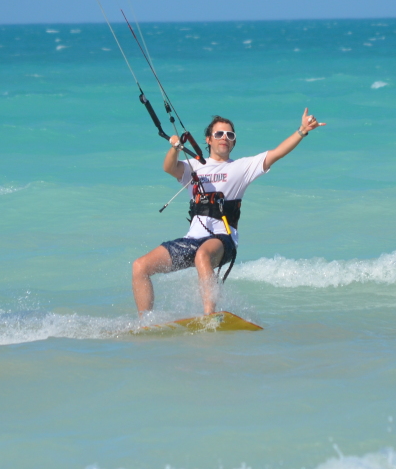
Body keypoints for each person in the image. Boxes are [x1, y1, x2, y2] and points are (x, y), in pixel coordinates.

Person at [132, 108, 325, 316]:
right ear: (208, 140)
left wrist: (302, 130)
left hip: (223, 240)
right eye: (219, 134)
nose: (225, 137)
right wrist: (175, 149)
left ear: (233, 142)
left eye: (230, 135)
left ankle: (209, 316)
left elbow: (277, 153)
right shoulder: (193, 166)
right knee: (140, 266)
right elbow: (169, 168)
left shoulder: (241, 167)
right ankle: (145, 322)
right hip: (192, 239)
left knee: (202, 255)